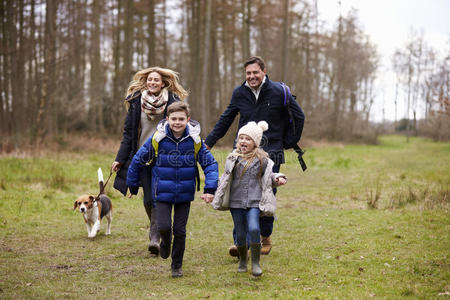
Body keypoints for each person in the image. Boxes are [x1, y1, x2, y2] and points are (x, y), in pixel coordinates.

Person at [204, 56, 305, 256]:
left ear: (264, 72)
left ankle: (265, 234)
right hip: (243, 151)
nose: (251, 76)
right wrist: (209, 142)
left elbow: (299, 116)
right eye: (248, 73)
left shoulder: (279, 91)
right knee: (239, 195)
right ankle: (240, 242)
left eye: (255, 72)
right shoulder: (240, 93)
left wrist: (288, 142)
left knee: (266, 195)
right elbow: (226, 118)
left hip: (271, 151)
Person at [126, 102, 218, 277]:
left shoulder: (195, 140)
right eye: (173, 119)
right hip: (161, 192)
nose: (177, 122)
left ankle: (176, 266)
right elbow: (138, 160)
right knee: (164, 226)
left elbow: (210, 164)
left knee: (180, 231)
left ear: (188, 120)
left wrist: (210, 188)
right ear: (167, 119)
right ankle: (165, 243)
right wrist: (132, 184)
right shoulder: (157, 138)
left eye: (181, 119)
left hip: (184, 193)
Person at [112, 67, 188, 255]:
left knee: (158, 196)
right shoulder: (136, 102)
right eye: (150, 80)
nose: (153, 83)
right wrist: (120, 159)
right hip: (142, 157)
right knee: (147, 198)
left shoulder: (172, 102)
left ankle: (155, 237)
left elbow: (181, 127)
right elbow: (129, 133)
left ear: (163, 83)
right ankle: (159, 228)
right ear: (146, 82)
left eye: (156, 80)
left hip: (165, 158)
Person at [210, 121, 287, 276]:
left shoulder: (263, 160)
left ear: (255, 143)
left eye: (248, 139)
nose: (243, 141)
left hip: (254, 201)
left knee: (253, 228)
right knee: (240, 233)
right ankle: (243, 261)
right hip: (236, 202)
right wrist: (211, 191)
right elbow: (225, 178)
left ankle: (256, 263)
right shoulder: (232, 158)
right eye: (241, 138)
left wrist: (278, 178)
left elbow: (269, 177)